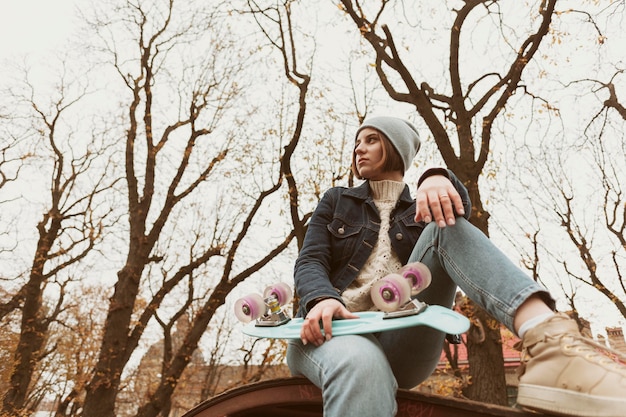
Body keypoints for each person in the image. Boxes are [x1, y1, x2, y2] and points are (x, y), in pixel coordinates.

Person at [285, 116, 626, 417]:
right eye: (357, 142)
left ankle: (549, 340)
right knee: (361, 363)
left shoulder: (417, 208)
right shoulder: (336, 200)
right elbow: (311, 259)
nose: (359, 149)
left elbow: (459, 213)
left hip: (402, 338)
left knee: (445, 226)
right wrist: (320, 298)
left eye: (371, 140)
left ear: (397, 149)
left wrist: (437, 177)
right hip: (332, 331)